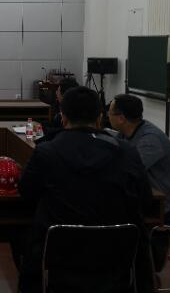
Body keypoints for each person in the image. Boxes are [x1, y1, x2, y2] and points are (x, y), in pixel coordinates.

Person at [13, 86, 154, 292]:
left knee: (18, 232)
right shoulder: (127, 152)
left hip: (59, 255)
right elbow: (146, 199)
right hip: (115, 257)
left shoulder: (46, 152)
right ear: (99, 119)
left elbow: (27, 193)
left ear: (63, 118)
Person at [108, 94, 170, 223]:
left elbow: (128, 172)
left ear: (121, 118)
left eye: (109, 112)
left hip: (167, 200)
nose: (107, 115)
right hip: (150, 190)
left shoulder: (150, 140)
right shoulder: (125, 132)